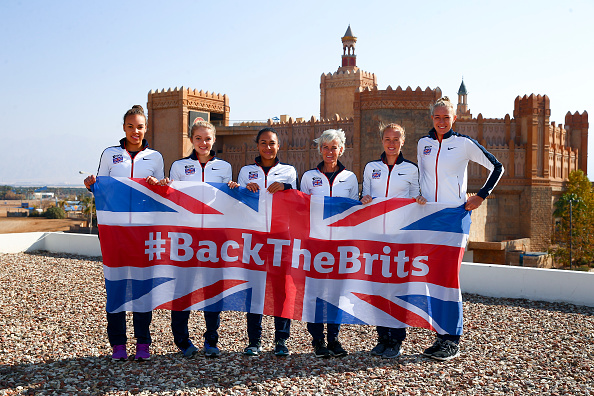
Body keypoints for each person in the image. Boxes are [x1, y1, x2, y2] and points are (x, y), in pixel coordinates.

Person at [417, 96, 503, 361]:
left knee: (448, 278)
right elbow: (422, 176)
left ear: (455, 119)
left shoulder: (464, 144)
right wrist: (419, 194)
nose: (442, 122)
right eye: (437, 117)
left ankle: (452, 339)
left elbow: (497, 167)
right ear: (432, 118)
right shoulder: (423, 144)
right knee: (432, 278)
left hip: (455, 217)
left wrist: (481, 195)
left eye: (446, 117)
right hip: (429, 218)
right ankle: (440, 336)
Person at [84, 105, 164, 361]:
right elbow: (102, 189)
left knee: (143, 288)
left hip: (144, 232)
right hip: (114, 232)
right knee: (116, 287)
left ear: (146, 128)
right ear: (123, 128)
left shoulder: (156, 157)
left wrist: (158, 186)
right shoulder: (110, 154)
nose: (135, 131)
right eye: (130, 126)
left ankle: (143, 343)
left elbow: (163, 194)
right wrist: (90, 185)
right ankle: (118, 344)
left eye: (140, 126)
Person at [158, 119, 238, 359]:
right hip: (186, 235)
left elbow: (227, 200)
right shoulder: (179, 166)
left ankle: (211, 340)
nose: (203, 143)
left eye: (208, 138)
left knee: (214, 289)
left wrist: (233, 187)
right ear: (191, 140)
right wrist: (165, 187)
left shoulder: (224, 167)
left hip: (215, 237)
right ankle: (182, 340)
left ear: (214, 140)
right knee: (183, 288)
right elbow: (173, 198)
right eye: (199, 138)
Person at [361, 122, 423, 359]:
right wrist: (364, 198)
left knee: (397, 289)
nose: (391, 143)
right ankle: (382, 337)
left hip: (400, 238)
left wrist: (420, 201)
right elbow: (365, 195)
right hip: (376, 237)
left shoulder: (411, 169)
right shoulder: (371, 167)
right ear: (382, 141)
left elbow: (418, 196)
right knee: (378, 289)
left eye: (396, 139)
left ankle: (396, 340)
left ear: (403, 141)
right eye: (388, 139)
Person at [237, 127, 298, 357]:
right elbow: (238, 202)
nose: (268, 147)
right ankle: (254, 340)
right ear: (257, 146)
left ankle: (281, 340)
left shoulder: (288, 171)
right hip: (254, 237)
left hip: (281, 235)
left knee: (281, 289)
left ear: (278, 146)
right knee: (255, 289)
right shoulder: (246, 171)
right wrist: (245, 190)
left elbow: (298, 198)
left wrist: (286, 187)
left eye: (272, 143)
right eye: (263, 143)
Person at [300, 128, 358, 358]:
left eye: (334, 147)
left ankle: (334, 338)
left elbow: (354, 210)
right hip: (315, 243)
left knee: (336, 293)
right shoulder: (308, 177)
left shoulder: (350, 178)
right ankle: (317, 340)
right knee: (315, 292)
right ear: (319, 149)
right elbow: (301, 208)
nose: (329, 152)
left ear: (341, 150)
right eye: (325, 147)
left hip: (340, 244)